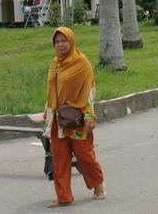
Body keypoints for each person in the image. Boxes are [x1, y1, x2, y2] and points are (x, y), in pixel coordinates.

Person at [44, 27, 106, 208]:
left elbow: (88, 91)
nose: (61, 45)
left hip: (77, 118)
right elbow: (51, 92)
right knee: (60, 159)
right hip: (57, 118)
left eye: (64, 41)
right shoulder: (55, 63)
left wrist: (89, 115)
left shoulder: (81, 62)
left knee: (84, 154)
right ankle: (63, 196)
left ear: (71, 41)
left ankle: (98, 183)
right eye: (57, 42)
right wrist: (47, 116)